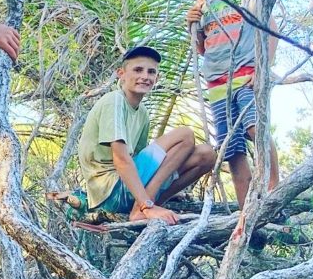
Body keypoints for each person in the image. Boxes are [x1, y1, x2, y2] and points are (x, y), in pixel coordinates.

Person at [185, 0, 280, 208]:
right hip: (217, 81)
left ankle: (274, 191)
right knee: (231, 149)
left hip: (246, 73)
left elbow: (270, 28)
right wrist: (191, 23)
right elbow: (203, 47)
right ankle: (245, 212)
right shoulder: (202, 1)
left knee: (255, 128)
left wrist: (263, 69)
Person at [76, 45, 215, 225]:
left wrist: (170, 187)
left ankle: (155, 202)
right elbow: (121, 159)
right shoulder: (114, 101)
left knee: (207, 155)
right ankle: (143, 208)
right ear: (121, 73)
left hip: (128, 189)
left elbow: (143, 160)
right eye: (138, 70)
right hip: (109, 192)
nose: (145, 76)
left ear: (156, 78)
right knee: (185, 134)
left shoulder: (142, 113)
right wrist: (145, 202)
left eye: (151, 72)